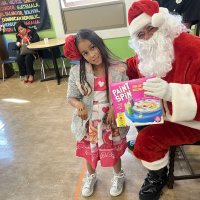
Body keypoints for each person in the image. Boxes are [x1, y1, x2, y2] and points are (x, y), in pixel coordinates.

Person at [126, 0, 200, 200]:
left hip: (191, 120)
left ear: (164, 23)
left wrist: (170, 93)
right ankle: (158, 156)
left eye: (151, 28)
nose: (147, 37)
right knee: (137, 116)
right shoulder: (147, 52)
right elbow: (131, 66)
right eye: (141, 35)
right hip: (163, 112)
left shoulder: (194, 48)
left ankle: (157, 176)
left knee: (147, 139)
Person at [64, 29, 129, 197]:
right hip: (89, 122)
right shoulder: (77, 72)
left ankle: (118, 175)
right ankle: (91, 175)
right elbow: (71, 96)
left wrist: (115, 107)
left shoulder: (118, 68)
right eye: (85, 53)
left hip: (111, 122)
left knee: (113, 150)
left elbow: (125, 93)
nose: (92, 55)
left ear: (99, 43)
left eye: (93, 47)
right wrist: (79, 105)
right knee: (89, 151)